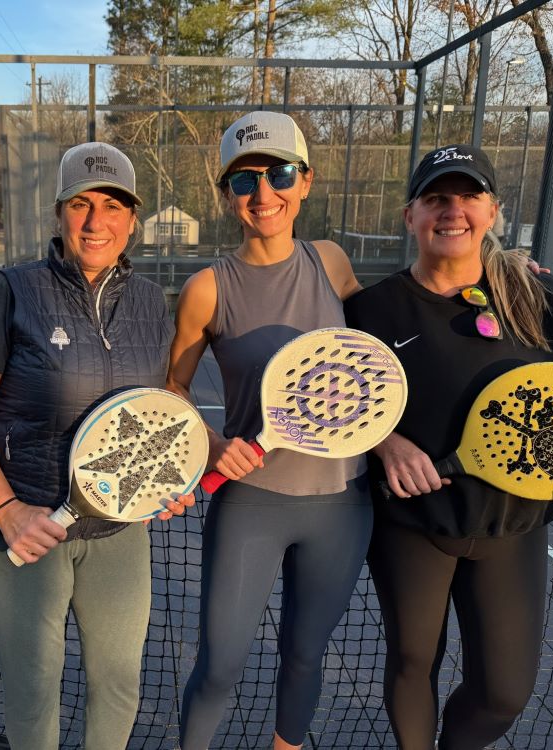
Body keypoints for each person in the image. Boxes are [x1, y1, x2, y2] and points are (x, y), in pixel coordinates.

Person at [343, 144, 553, 750]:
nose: (453, 211)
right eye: (436, 198)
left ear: (492, 211)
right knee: (412, 662)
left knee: (504, 693)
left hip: (514, 526)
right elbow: (341, 409)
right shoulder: (369, 311)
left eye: (469, 196)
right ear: (411, 216)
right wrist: (387, 444)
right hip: (413, 522)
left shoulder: (542, 300)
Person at [0, 142, 192, 750]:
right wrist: (8, 511)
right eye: (81, 204)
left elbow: (156, 411)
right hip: (25, 532)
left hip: (117, 532)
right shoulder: (10, 291)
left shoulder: (151, 302)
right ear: (59, 212)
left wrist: (167, 479)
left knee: (119, 685)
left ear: (133, 218)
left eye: (113, 206)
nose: (96, 222)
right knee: (32, 691)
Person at [167, 111, 371, 750]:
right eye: (244, 180)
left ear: (305, 181)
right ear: (227, 195)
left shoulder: (332, 262)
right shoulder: (206, 289)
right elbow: (173, 391)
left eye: (279, 174)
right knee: (221, 666)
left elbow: (384, 344)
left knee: (305, 656)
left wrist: (491, 277)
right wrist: (211, 445)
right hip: (249, 502)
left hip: (343, 504)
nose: (263, 193)